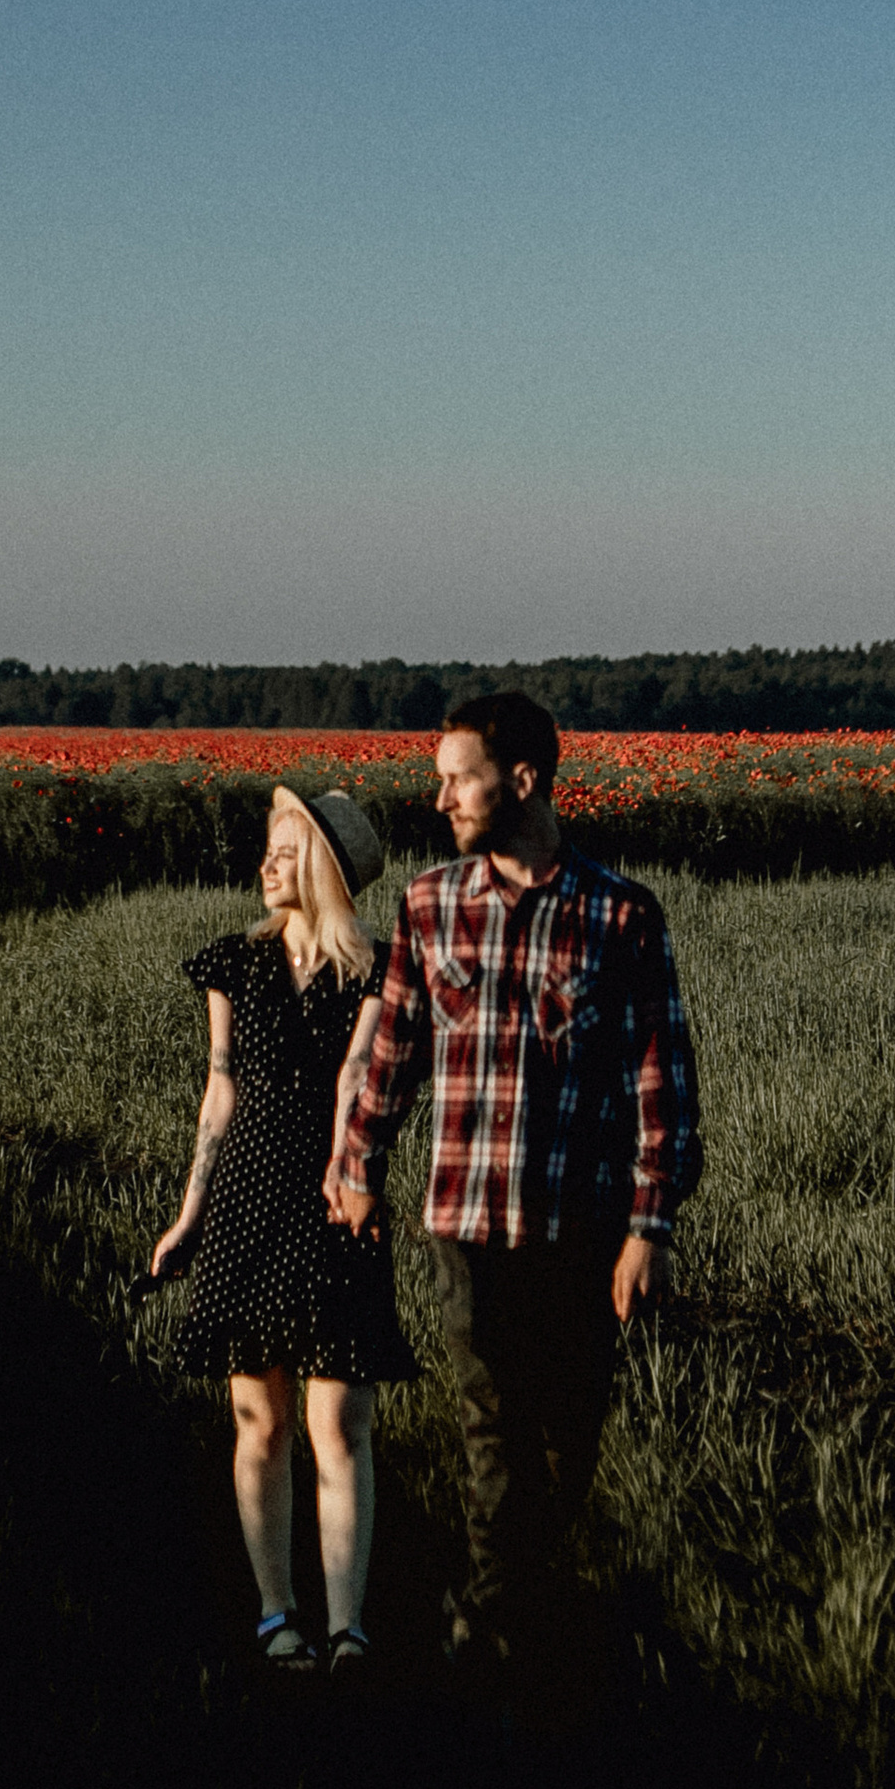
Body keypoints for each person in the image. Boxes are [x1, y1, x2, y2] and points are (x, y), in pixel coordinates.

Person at [329, 690, 701, 1676]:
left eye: (458, 776)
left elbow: (660, 1077)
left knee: (566, 1434)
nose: (439, 794)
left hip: (575, 1227)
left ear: (522, 780)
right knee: (493, 1423)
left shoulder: (619, 914)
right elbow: (395, 1050)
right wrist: (358, 1165)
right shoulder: (428, 903)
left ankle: (512, 1597)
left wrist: (648, 1228)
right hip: (465, 1217)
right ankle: (494, 1632)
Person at [150, 781, 416, 1673]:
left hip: (333, 1201)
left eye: (286, 847)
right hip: (245, 1202)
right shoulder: (233, 963)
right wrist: (189, 1215)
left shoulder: (377, 971)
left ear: (329, 869)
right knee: (258, 1419)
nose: (266, 862)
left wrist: (354, 1175)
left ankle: (349, 1628)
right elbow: (217, 1094)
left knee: (338, 1421)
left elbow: (355, 1087)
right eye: (268, 847)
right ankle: (277, 1616)